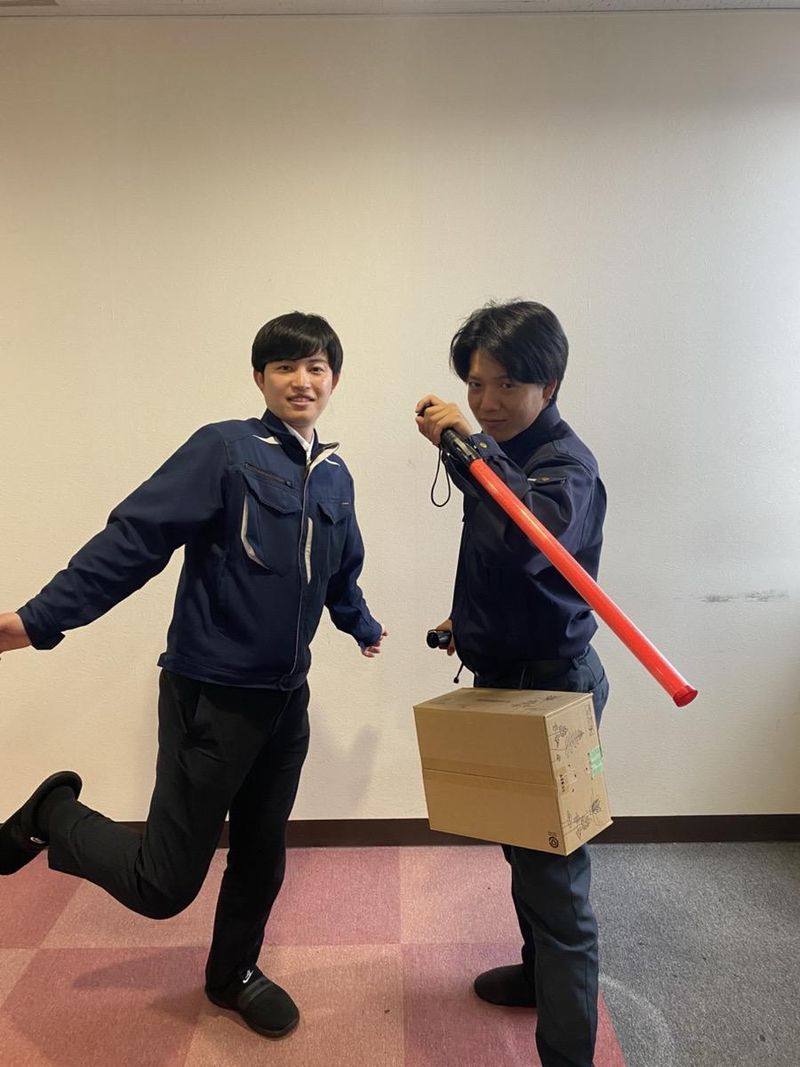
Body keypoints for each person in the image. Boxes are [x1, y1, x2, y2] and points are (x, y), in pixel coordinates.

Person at [0, 311, 385, 1039]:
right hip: (211, 694)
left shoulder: (334, 475)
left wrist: (360, 623)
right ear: (259, 378)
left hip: (286, 701)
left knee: (262, 854)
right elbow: (134, 540)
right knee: (163, 884)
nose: (302, 380)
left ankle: (233, 972)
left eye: (316, 367)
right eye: (285, 366)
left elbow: (340, 570)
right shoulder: (224, 450)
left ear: (335, 379)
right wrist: (36, 619)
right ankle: (53, 814)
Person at [415, 300, 609, 1067]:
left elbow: (532, 539)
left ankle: (568, 1057)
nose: (486, 400)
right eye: (476, 383)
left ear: (548, 384)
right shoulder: (503, 453)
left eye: (506, 384)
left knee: (558, 883)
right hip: (506, 679)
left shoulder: (564, 464)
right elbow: (508, 563)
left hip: (555, 691)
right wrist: (467, 621)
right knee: (523, 850)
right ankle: (535, 977)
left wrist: (467, 446)